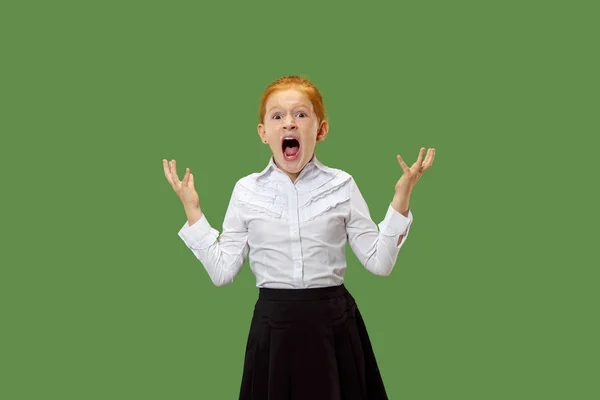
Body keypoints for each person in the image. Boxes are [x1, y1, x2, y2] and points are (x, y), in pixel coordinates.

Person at [162, 75, 436, 399]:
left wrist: (401, 199)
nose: (289, 123)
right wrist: (193, 212)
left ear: (320, 130)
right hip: (273, 330)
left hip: (334, 327)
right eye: (277, 116)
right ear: (264, 133)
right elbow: (222, 273)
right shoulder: (246, 190)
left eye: (301, 114)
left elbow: (380, 263)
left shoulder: (342, 185)